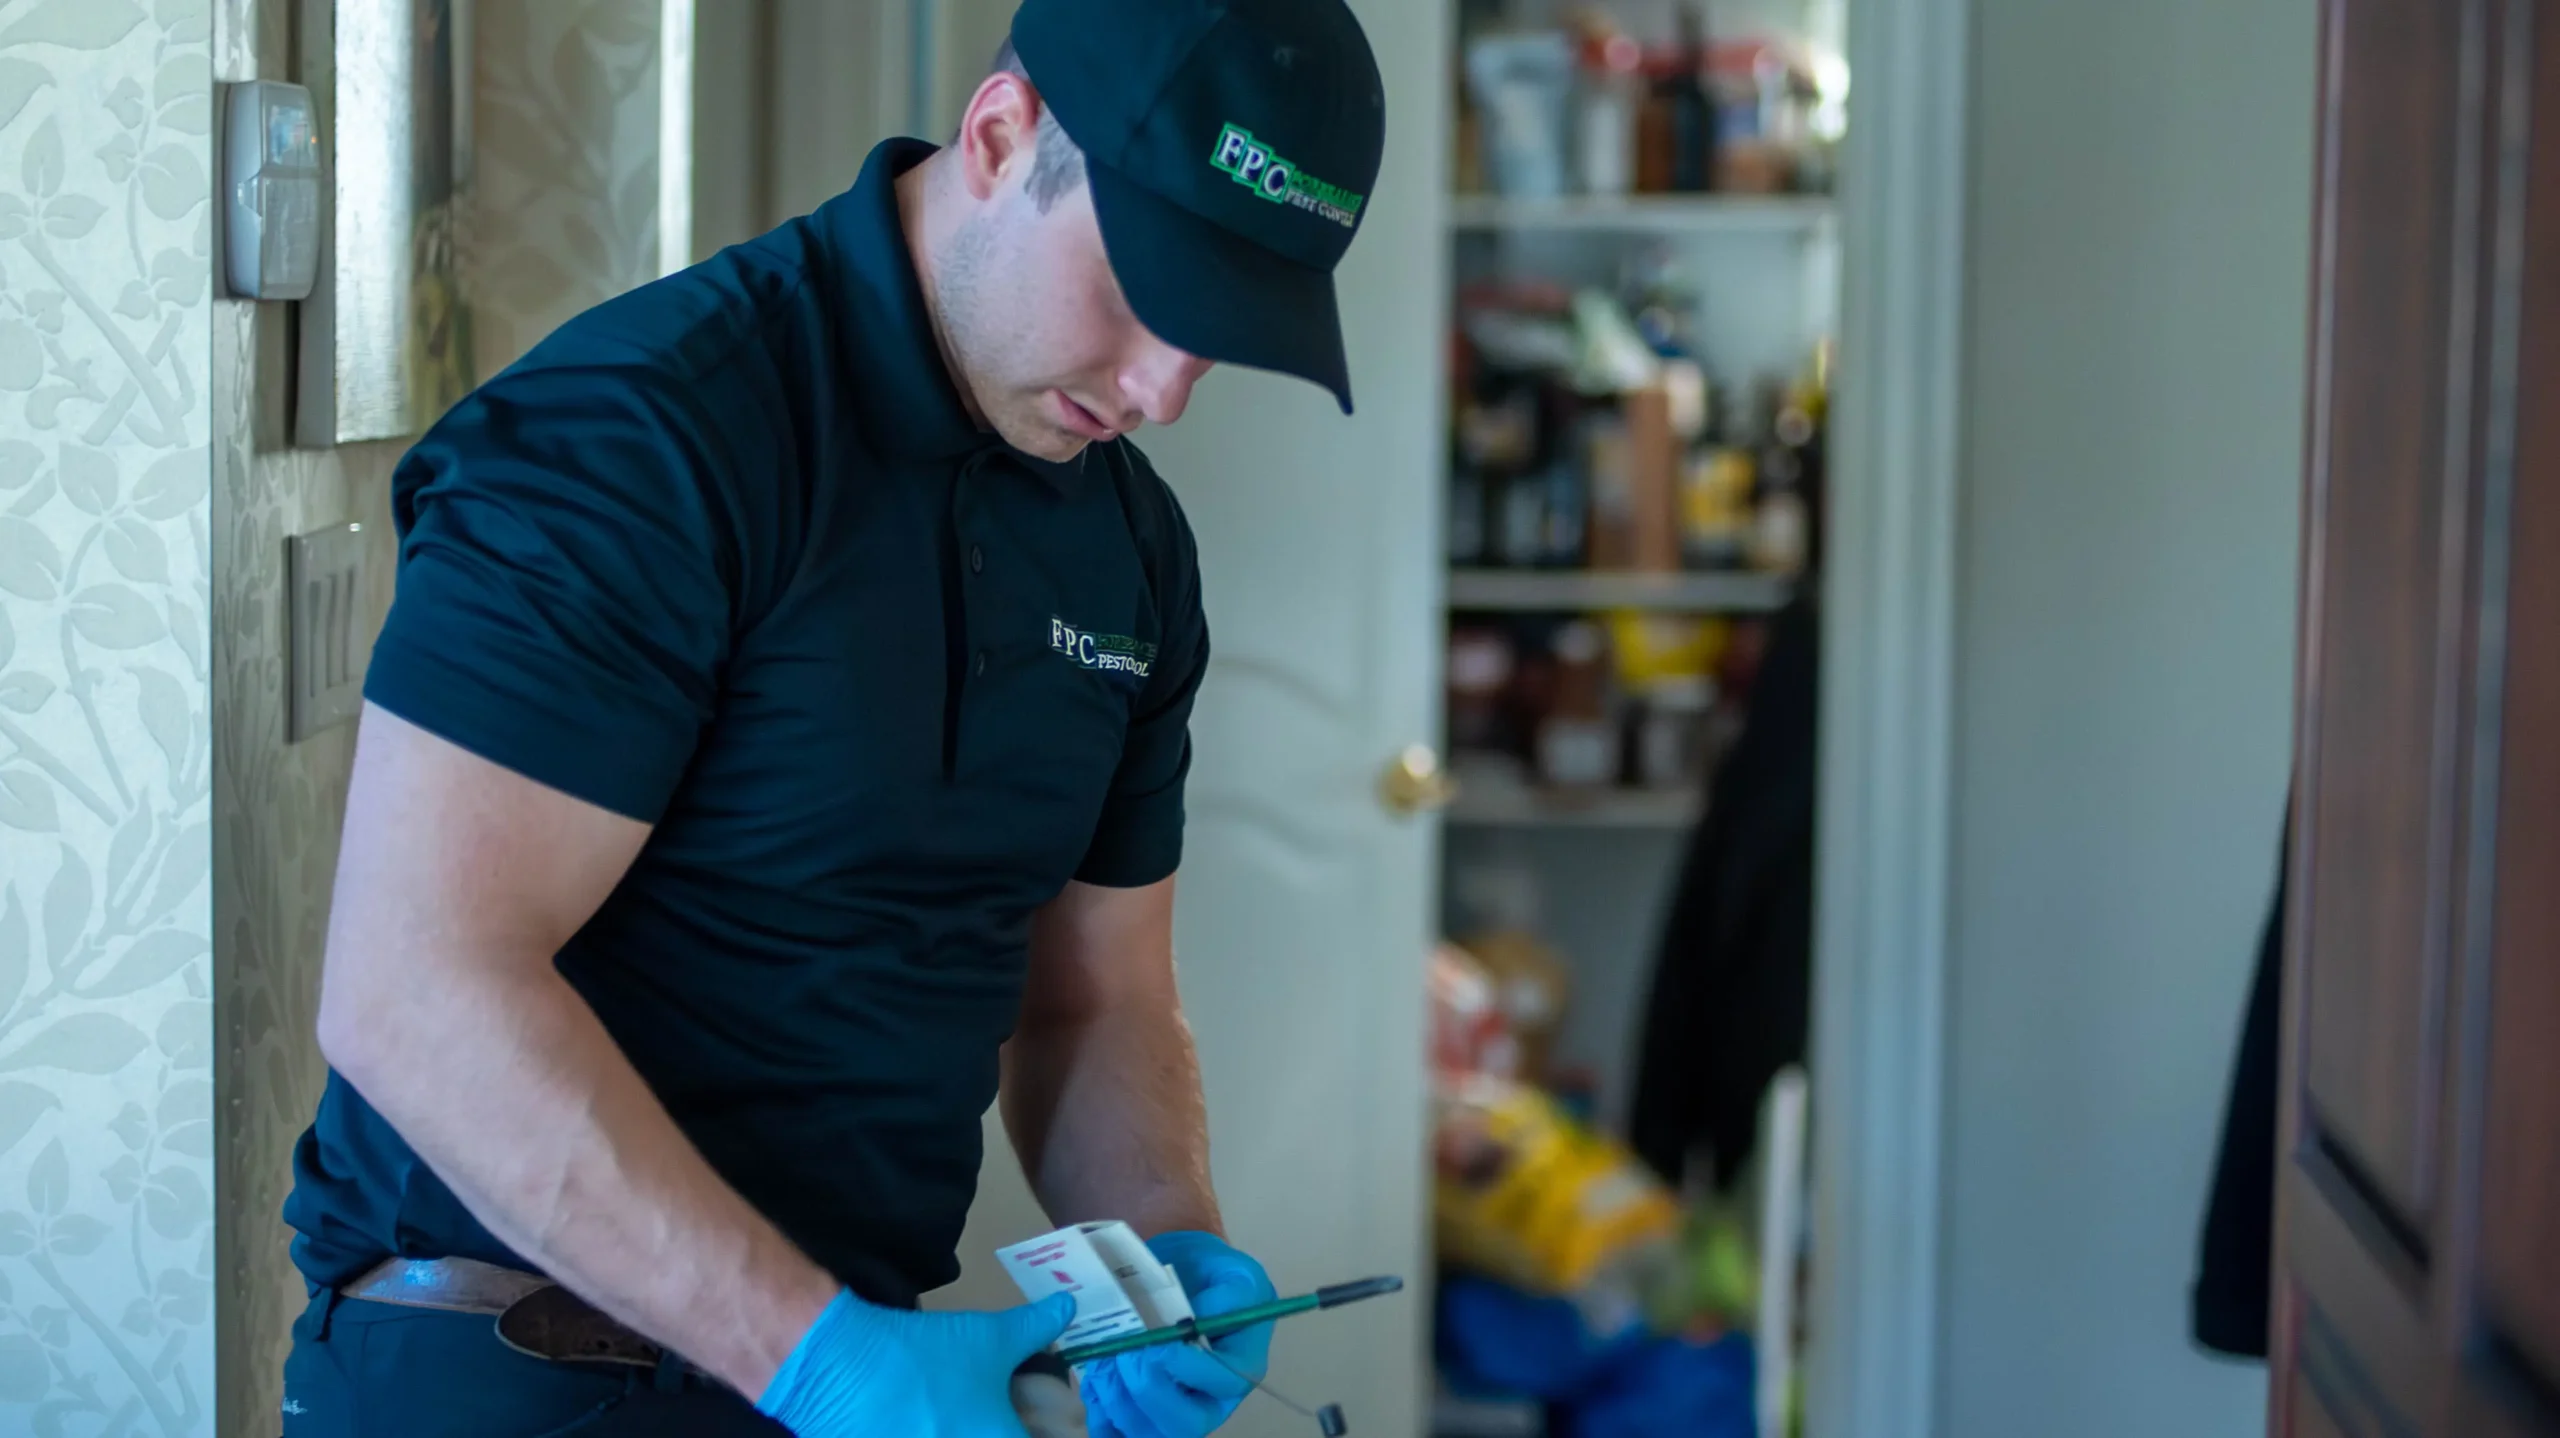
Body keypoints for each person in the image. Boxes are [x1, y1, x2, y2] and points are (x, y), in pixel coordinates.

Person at [275, 0, 1386, 1433]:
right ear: (1001, 137)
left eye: (1221, 330)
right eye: (1146, 289)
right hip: (520, 1367)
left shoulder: (1131, 548)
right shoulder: (641, 439)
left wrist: (1164, 1250)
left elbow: (1094, 996)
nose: (1165, 387)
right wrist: (814, 1356)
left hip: (840, 1371)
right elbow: (415, 990)